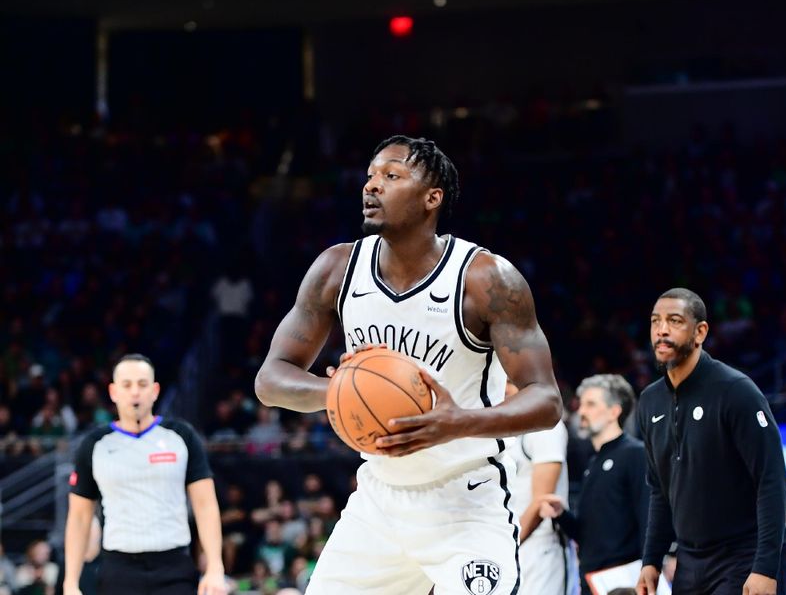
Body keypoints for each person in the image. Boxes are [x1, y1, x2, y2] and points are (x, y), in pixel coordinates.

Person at [254, 135, 562, 594]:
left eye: (391, 176)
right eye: (370, 176)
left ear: (431, 198)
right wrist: (337, 393)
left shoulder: (486, 279)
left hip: (465, 499)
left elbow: (547, 400)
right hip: (379, 500)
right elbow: (271, 378)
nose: (371, 186)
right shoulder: (336, 269)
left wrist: (458, 422)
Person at [636, 288, 786, 595]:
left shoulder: (735, 391)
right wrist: (651, 560)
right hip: (689, 561)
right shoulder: (649, 401)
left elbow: (771, 481)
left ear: (700, 331)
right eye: (656, 321)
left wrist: (765, 567)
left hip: (744, 555)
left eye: (675, 321)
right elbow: (660, 492)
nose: (661, 330)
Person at [63, 353, 227, 595]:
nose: (135, 392)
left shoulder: (181, 436)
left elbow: (205, 505)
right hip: (119, 569)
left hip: (174, 567)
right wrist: (70, 582)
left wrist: (215, 567)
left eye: (142, 384)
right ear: (113, 392)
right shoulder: (94, 445)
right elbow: (79, 517)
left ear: (155, 390)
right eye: (126, 385)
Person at [539, 374, 649, 594]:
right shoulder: (594, 462)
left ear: (614, 411)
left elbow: (648, 515)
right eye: (582, 405)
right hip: (594, 580)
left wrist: (649, 566)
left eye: (591, 404)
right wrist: (562, 515)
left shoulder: (635, 454)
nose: (581, 412)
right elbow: (589, 533)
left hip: (623, 579)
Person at [508, 381, 578, 594]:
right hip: (510, 541)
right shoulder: (505, 429)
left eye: (509, 382)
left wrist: (509, 545)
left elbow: (542, 500)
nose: (502, 388)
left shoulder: (545, 427)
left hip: (539, 545)